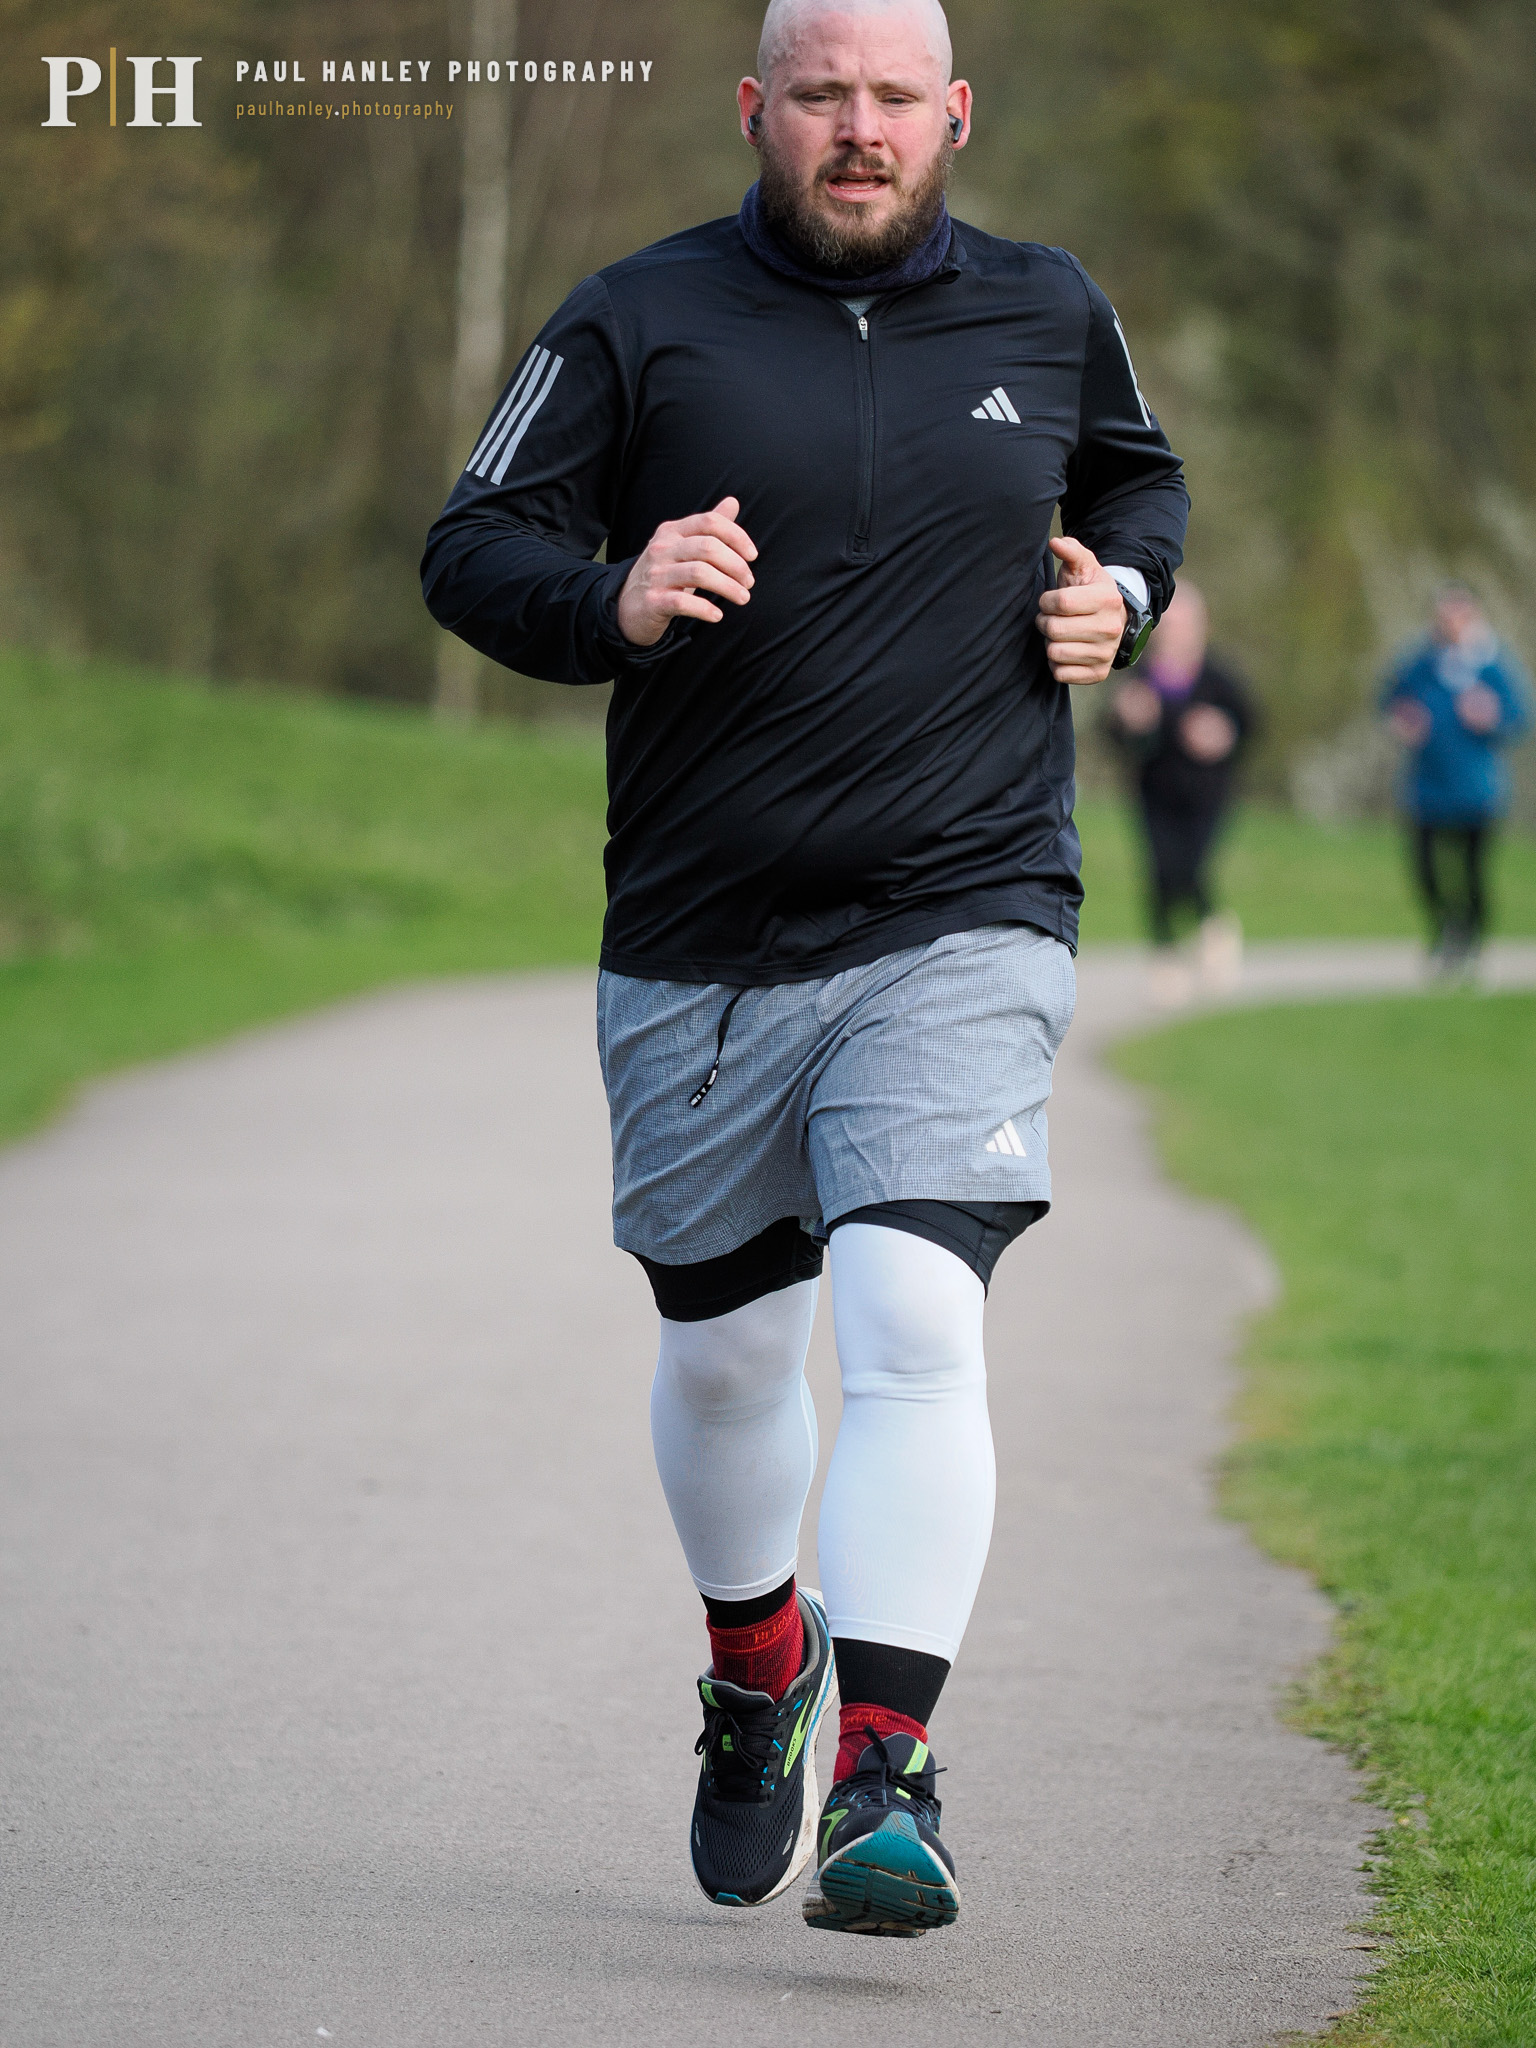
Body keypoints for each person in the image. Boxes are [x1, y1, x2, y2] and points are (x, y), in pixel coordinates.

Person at [422, 0, 1186, 1939]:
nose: (860, 129)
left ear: (956, 114)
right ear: (758, 107)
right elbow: (468, 546)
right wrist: (617, 591)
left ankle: (887, 1776)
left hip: (968, 906)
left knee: (916, 1308)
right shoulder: (635, 316)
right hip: (701, 938)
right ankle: (761, 1658)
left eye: (894, 99)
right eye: (823, 96)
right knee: (734, 1347)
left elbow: (1142, 488)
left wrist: (1125, 591)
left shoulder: (1048, 310)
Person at [1103, 580, 1257, 997]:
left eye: (1186, 625)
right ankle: (1165, 956)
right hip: (1155, 793)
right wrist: (1128, 721)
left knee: (1191, 868)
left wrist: (1223, 734)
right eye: (1170, 625)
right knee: (1158, 870)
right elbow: (1114, 732)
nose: (1177, 634)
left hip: (1208, 794)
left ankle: (1214, 930)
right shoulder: (1142, 677)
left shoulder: (1219, 678)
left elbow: (1248, 724)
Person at [1381, 584, 1531, 972]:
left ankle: (1473, 941)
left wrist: (1490, 717)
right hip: (1427, 787)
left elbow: (1520, 718)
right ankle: (1445, 932)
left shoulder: (1492, 666)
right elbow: (1390, 700)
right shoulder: (1421, 663)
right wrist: (1403, 719)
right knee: (1426, 870)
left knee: (1473, 872)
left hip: (1476, 791)